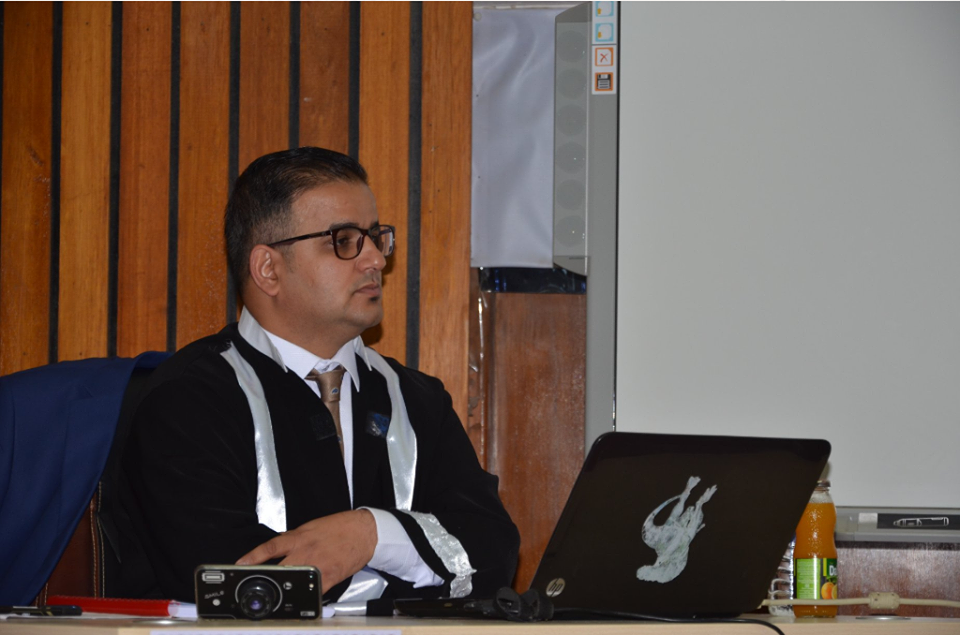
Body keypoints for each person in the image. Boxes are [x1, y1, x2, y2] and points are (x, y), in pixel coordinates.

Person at [114, 147, 519, 603]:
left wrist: (370, 534)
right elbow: (233, 579)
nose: (375, 260)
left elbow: (493, 553)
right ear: (268, 269)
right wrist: (416, 569)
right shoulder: (187, 400)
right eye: (344, 240)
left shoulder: (417, 400)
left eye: (375, 237)